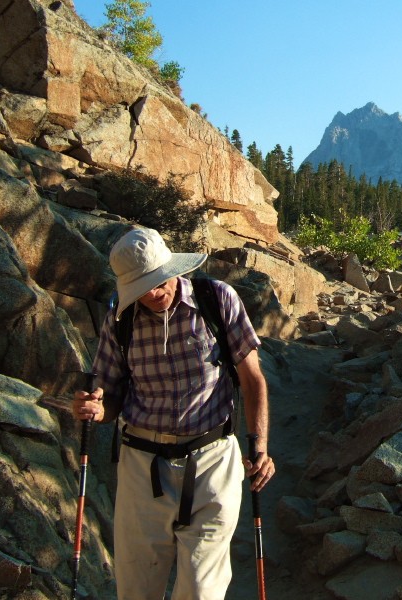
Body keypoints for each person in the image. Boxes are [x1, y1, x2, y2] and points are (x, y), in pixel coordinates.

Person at [72, 227, 273, 600]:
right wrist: (96, 409)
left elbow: (252, 379)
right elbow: (110, 393)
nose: (153, 292)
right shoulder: (120, 317)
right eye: (142, 287)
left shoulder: (216, 299)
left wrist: (259, 445)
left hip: (212, 459)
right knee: (137, 590)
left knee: (201, 590)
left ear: (172, 269)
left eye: (158, 281)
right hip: (142, 465)